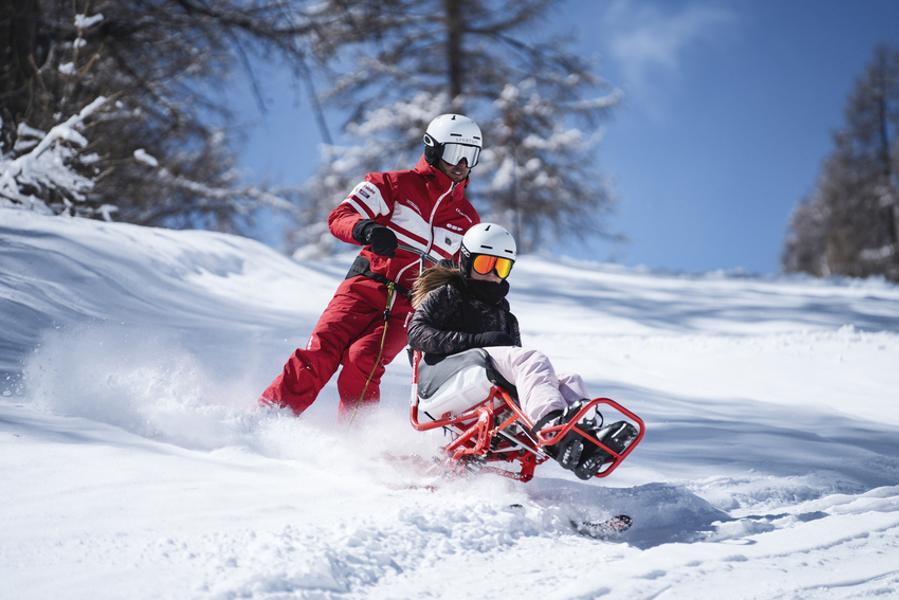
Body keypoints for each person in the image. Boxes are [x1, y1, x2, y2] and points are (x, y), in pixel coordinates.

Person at [261, 114, 483, 419]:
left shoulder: (467, 219)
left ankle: (358, 441)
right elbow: (341, 216)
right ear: (433, 149)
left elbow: (466, 277)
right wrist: (367, 229)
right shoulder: (392, 184)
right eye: (454, 152)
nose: (461, 163)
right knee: (321, 350)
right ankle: (270, 415)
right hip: (365, 286)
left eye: (470, 156)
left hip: (409, 306)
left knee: (363, 360)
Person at [407, 223, 636, 479]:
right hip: (443, 378)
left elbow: (522, 374)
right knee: (532, 361)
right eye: (485, 264)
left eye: (501, 266)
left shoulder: (505, 316)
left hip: (481, 379)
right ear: (466, 261)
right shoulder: (447, 295)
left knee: (569, 382)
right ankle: (551, 425)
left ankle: (582, 443)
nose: (493, 273)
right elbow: (416, 333)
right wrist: (475, 340)